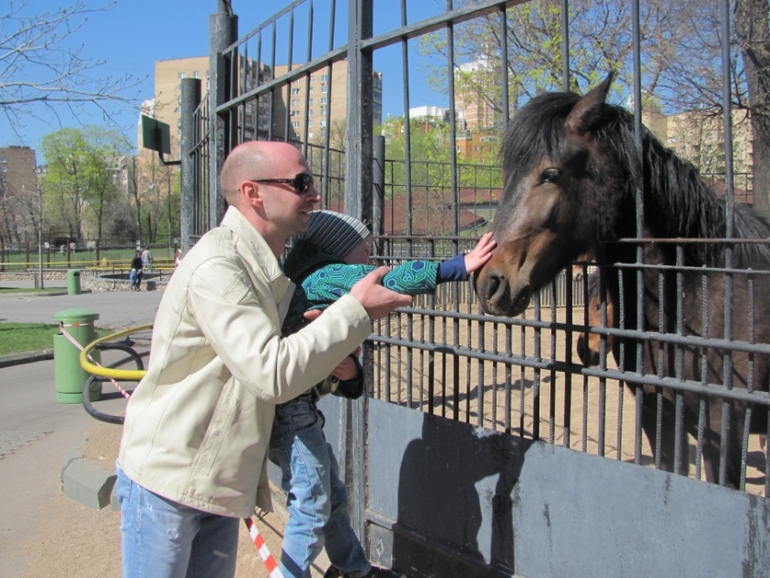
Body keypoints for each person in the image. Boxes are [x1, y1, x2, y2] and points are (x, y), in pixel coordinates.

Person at [115, 141, 412, 578]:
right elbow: (270, 372)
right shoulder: (219, 265)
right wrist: (355, 311)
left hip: (217, 480)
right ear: (253, 193)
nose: (315, 195)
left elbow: (282, 372)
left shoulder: (266, 267)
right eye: (301, 183)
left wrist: (338, 361)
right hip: (168, 481)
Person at [271, 210, 496, 578]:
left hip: (298, 409)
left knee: (331, 499)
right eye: (364, 249)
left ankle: (354, 571)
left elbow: (336, 370)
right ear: (337, 247)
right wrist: (457, 266)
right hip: (292, 413)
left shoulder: (306, 277)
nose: (370, 258)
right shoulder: (325, 275)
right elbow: (386, 279)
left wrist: (352, 372)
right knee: (312, 506)